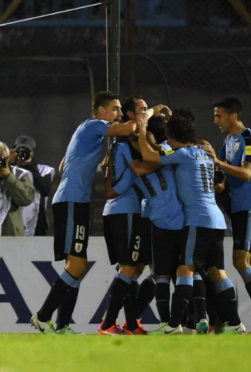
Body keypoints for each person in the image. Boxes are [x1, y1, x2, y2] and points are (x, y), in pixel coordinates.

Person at [30, 91, 168, 334]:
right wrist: (154, 110)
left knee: (77, 265)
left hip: (78, 201)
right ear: (101, 111)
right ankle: (42, 317)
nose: (117, 114)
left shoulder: (89, 134)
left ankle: (62, 326)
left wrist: (88, 162)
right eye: (114, 109)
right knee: (77, 264)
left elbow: (64, 165)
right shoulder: (92, 124)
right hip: (71, 200)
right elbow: (128, 128)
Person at [134, 109, 246, 335]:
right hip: (217, 220)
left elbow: (149, 155)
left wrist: (142, 128)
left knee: (185, 268)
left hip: (198, 219)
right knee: (217, 272)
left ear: (173, 137)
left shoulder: (183, 154)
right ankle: (237, 325)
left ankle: (174, 325)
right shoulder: (203, 151)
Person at [205, 97, 251, 335]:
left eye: (219, 116)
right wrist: (218, 181)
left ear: (233, 116)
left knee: (240, 261)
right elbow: (223, 175)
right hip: (240, 206)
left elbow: (246, 174)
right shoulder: (228, 141)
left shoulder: (249, 138)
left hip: (250, 205)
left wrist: (217, 162)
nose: (216, 120)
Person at [98, 96, 157, 335]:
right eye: (142, 110)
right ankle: (109, 323)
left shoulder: (127, 144)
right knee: (131, 268)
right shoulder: (125, 146)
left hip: (128, 212)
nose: (146, 113)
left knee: (136, 267)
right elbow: (124, 181)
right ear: (132, 116)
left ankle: (131, 323)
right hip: (126, 212)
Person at [8, 135, 55, 236]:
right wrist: (8, 161)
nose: (22, 154)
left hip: (37, 226)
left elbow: (44, 190)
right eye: (19, 151)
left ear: (32, 153)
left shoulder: (44, 170)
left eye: (27, 151)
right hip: (13, 224)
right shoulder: (7, 170)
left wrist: (30, 165)